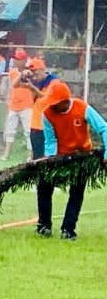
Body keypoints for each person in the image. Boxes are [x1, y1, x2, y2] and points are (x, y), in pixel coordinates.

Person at [38, 82, 107, 240]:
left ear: (65, 101)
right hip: (60, 158)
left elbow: (104, 128)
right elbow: (50, 141)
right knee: (43, 185)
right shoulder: (47, 114)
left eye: (55, 103)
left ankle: (68, 230)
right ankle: (44, 226)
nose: (52, 106)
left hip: (82, 157)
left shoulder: (82, 107)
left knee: (76, 192)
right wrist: (52, 160)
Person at [0, 49, 34, 161]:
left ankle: (30, 155)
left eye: (18, 59)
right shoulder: (12, 72)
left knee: (28, 131)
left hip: (26, 105)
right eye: (15, 59)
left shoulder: (29, 73)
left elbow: (31, 86)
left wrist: (24, 72)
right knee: (10, 130)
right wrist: (8, 101)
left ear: (24, 60)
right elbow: (12, 87)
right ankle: (6, 155)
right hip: (14, 105)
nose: (16, 61)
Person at [26, 57, 61, 160]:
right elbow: (16, 84)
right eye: (32, 74)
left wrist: (33, 88)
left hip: (48, 125)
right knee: (37, 157)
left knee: (49, 157)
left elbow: (48, 97)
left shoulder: (53, 81)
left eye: (36, 74)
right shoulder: (34, 82)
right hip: (35, 125)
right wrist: (22, 76)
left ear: (42, 70)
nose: (34, 77)